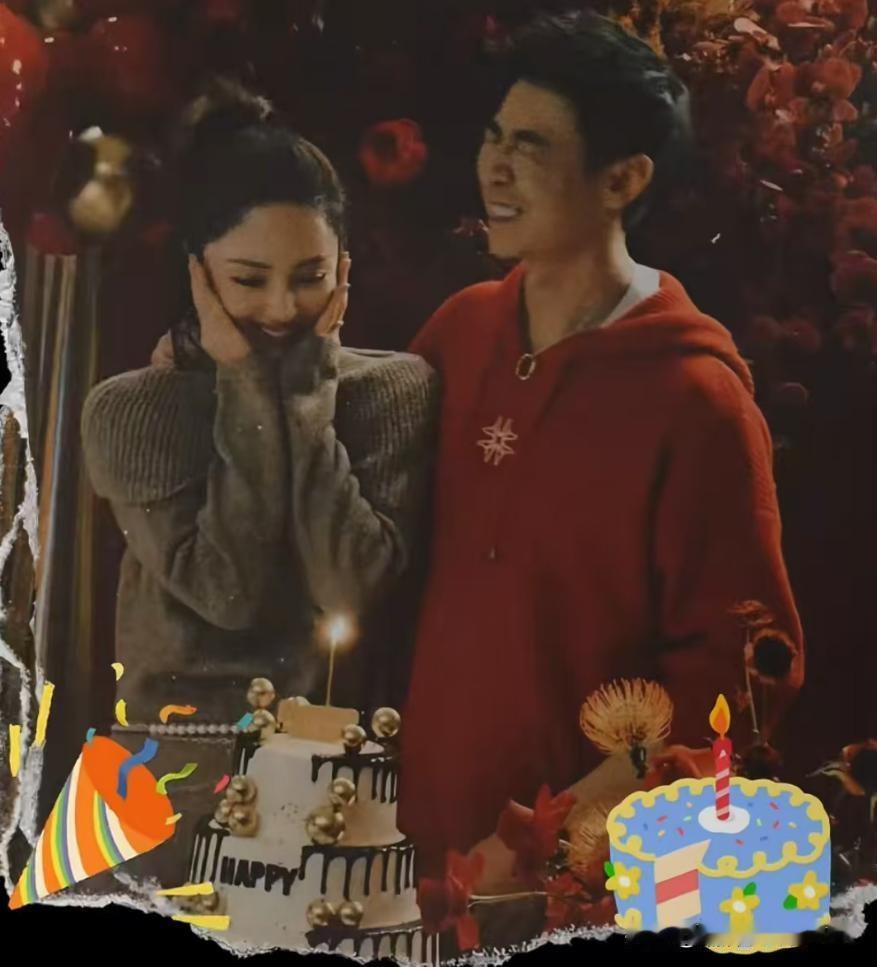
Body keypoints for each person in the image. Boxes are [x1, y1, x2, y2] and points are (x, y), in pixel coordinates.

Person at [397, 11, 804, 897]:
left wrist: (536, 844)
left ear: (622, 178)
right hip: (398, 851)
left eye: (531, 145)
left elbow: (741, 677)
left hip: (566, 887)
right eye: (494, 136)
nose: (494, 166)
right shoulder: (460, 333)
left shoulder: (695, 399)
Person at [81, 79, 436, 758]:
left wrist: (303, 392)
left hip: (337, 781)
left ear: (344, 268)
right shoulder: (131, 409)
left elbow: (346, 586)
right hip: (170, 778)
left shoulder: (394, 389)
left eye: (310, 277)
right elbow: (228, 592)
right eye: (249, 279)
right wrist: (245, 379)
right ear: (198, 272)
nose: (282, 308)